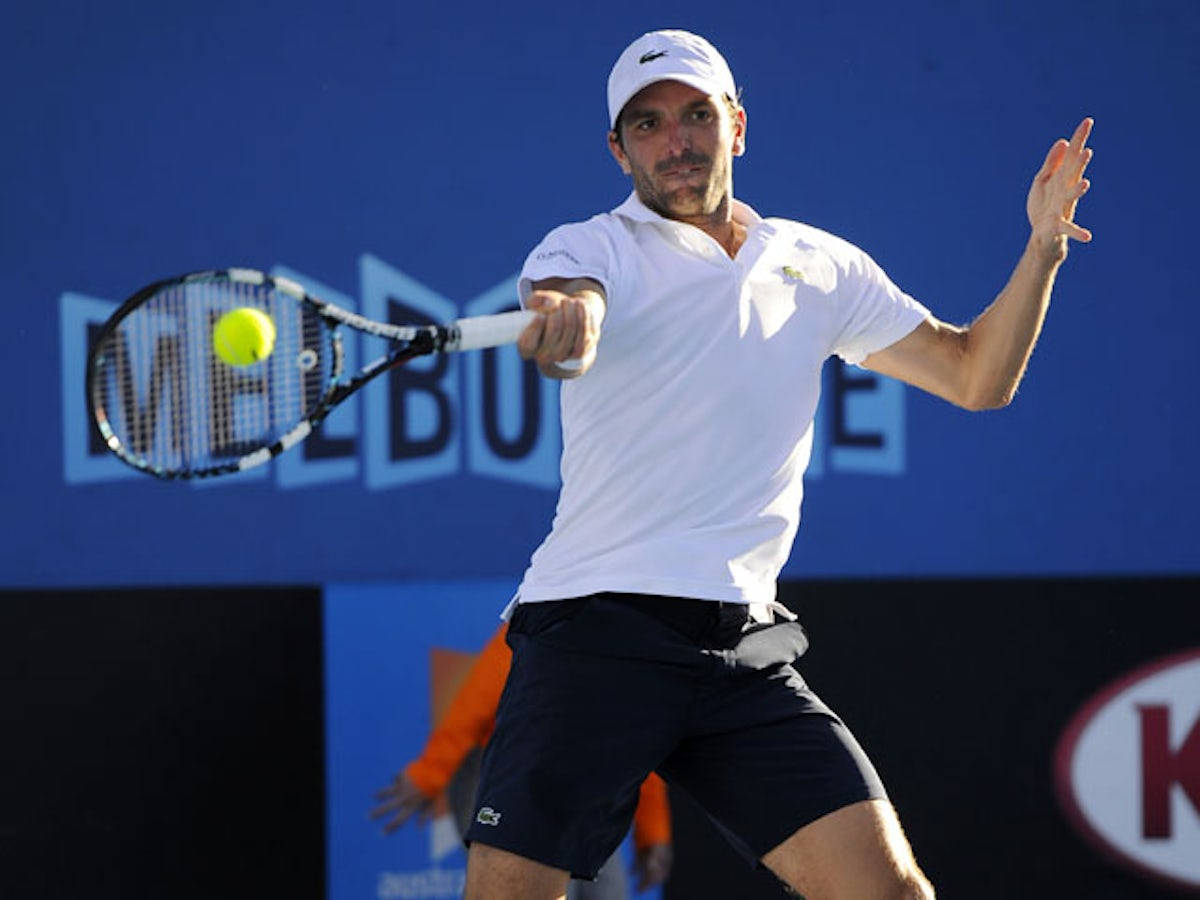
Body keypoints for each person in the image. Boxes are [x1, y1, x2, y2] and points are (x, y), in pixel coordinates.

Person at [463, 28, 1094, 900]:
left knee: (892, 893)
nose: (674, 139)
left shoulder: (819, 265)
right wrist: (570, 324)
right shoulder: (585, 249)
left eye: (695, 115)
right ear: (619, 151)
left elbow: (975, 377)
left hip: (742, 648)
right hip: (595, 634)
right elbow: (571, 318)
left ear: (738, 126)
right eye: (646, 125)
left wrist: (1043, 250)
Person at [371, 624, 673, 898]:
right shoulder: (556, 612)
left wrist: (652, 830)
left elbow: (637, 740)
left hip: (588, 777)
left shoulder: (639, 636)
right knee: (524, 882)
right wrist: (430, 773)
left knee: (606, 890)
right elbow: (476, 703)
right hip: (509, 771)